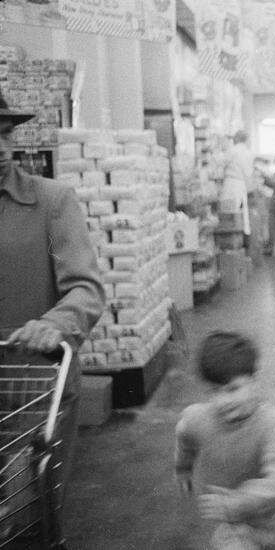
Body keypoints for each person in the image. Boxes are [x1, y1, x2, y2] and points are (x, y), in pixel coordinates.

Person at [0, 92, 105, 546]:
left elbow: (86, 288)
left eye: (5, 134)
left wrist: (57, 323)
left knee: (25, 518)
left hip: (33, 388)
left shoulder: (51, 201)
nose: (2, 148)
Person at [175, 331, 275, 550]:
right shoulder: (198, 418)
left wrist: (237, 503)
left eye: (233, 389)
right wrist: (182, 469)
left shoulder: (272, 423)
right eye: (215, 391)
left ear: (254, 381)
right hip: (234, 530)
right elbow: (184, 435)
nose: (223, 400)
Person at [223, 130, 254, 249]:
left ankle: (231, 240)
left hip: (231, 184)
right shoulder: (248, 153)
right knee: (242, 215)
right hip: (242, 185)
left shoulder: (232, 150)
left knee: (230, 213)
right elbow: (249, 173)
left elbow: (221, 163)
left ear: (237, 138)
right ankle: (244, 241)